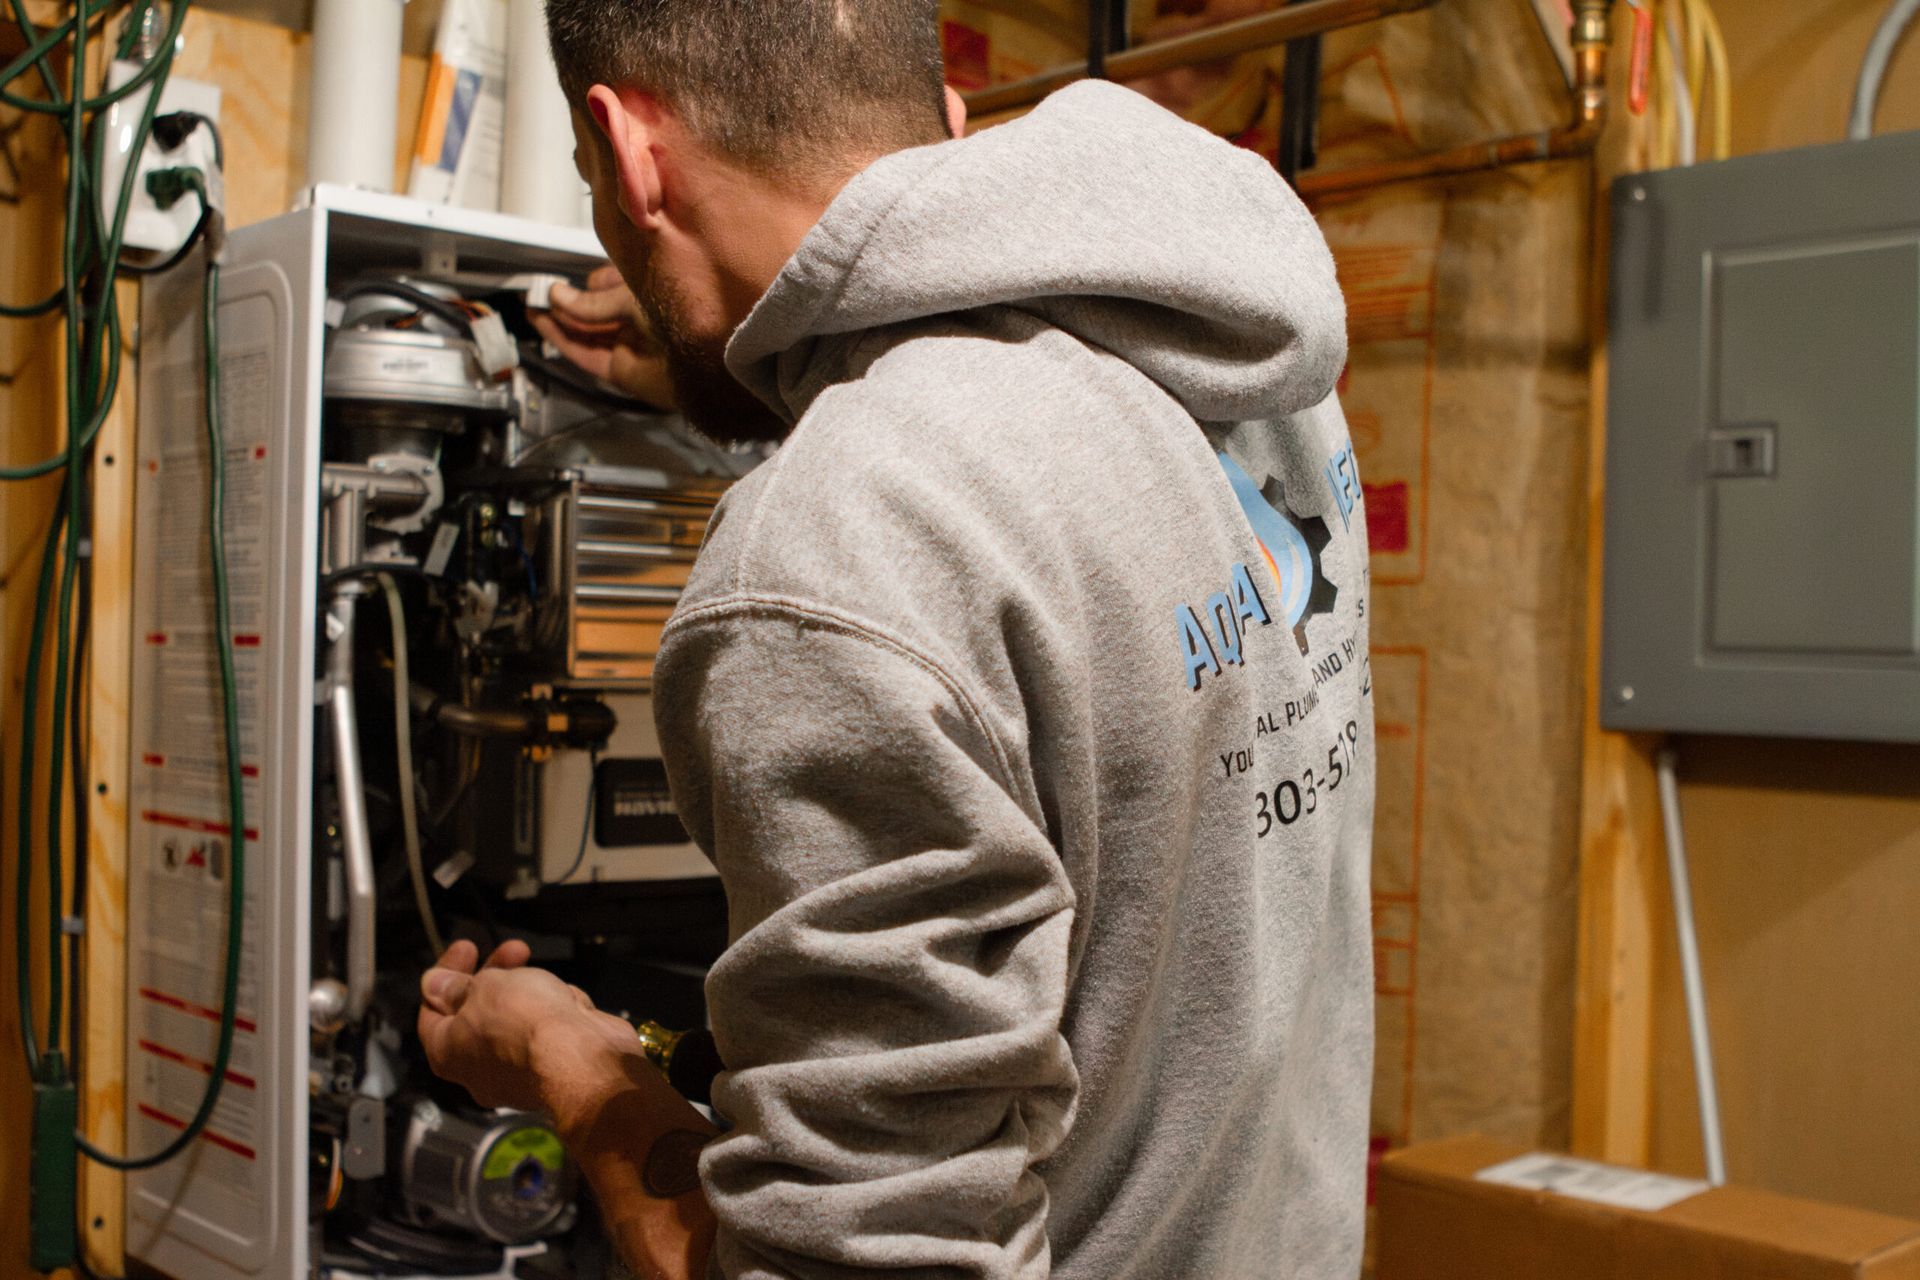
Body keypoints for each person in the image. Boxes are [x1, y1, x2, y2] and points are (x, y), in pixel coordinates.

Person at [416, 2, 1376, 1276]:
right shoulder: (1249, 356)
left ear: (630, 152)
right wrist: (780, 367)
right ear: (942, 119)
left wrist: (577, 1071)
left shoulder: (826, 552)